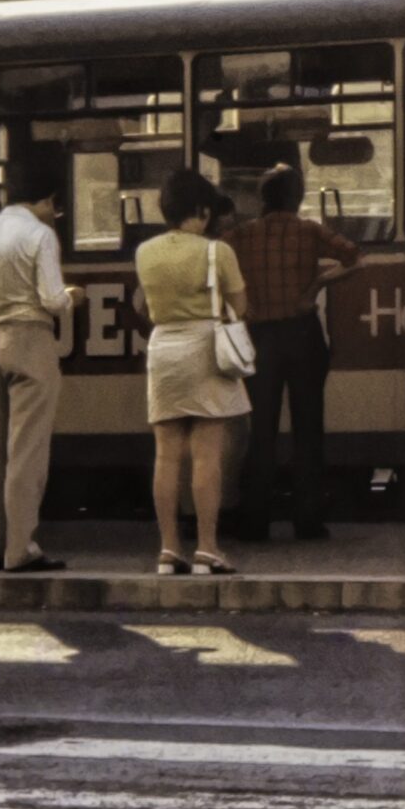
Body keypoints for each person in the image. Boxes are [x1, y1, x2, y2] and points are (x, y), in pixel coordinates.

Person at [0, 159, 83, 573]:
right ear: (46, 200)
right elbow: (51, 300)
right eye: (56, 207)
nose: (55, 214)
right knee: (26, 450)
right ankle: (19, 549)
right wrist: (71, 297)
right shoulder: (40, 234)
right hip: (29, 338)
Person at [226, 164, 360, 541]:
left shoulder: (241, 235)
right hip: (303, 336)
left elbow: (215, 269)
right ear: (297, 198)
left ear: (262, 199)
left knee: (262, 431)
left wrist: (243, 306)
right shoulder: (309, 231)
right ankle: (308, 519)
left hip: (259, 339)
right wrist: (316, 283)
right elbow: (354, 258)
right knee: (308, 430)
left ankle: (255, 521)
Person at [136, 169, 252, 575]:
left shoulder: (145, 252)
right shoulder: (217, 252)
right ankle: (207, 548)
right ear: (202, 211)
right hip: (205, 349)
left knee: (166, 456)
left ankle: (168, 549)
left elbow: (144, 307)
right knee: (206, 456)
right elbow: (241, 305)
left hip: (162, 349)